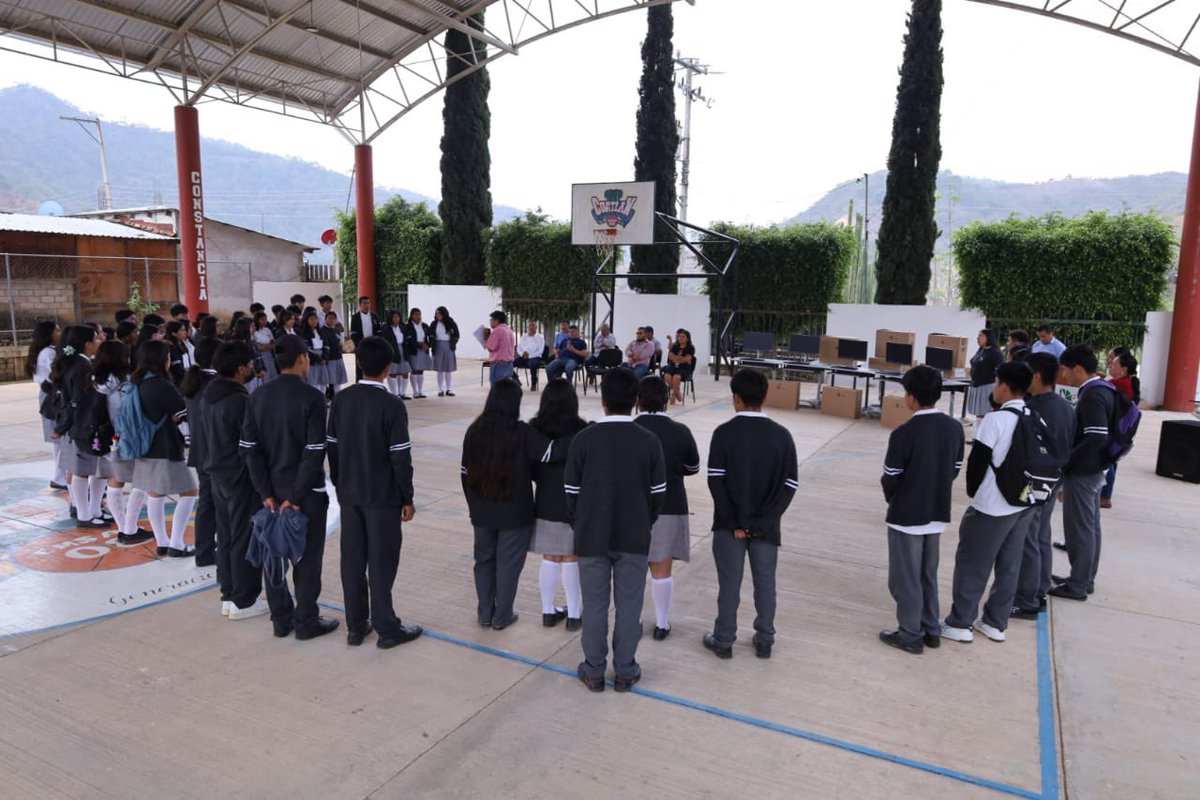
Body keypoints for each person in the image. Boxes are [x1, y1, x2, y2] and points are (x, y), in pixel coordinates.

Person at [566, 368, 666, 692]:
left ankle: (594, 670)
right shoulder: (649, 441)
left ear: (603, 399)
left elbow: (571, 493)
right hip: (634, 536)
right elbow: (658, 495)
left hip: (592, 535)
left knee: (593, 606)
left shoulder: (584, 440)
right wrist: (643, 521)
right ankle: (625, 670)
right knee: (629, 606)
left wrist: (580, 523)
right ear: (635, 400)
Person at [240, 335, 339, 639]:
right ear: (301, 359)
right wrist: (295, 497)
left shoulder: (258, 396)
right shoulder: (312, 397)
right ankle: (306, 621)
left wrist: (266, 493)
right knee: (307, 559)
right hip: (306, 493)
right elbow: (314, 451)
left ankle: (281, 619)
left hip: (270, 494)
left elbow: (249, 449)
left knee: (274, 557)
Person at [328, 336, 423, 648]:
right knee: (381, 562)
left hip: (350, 493)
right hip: (382, 497)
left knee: (352, 560)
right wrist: (406, 497)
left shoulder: (342, 400)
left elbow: (333, 448)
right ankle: (387, 627)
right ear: (388, 367)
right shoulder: (392, 406)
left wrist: (341, 484)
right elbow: (400, 456)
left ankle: (356, 626)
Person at [703, 370, 798, 660]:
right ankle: (765, 638)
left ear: (736, 398)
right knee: (765, 583)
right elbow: (790, 486)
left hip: (729, 526)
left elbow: (715, 481)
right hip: (766, 528)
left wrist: (735, 522)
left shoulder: (724, 433)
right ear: (765, 397)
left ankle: (724, 638)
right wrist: (764, 522)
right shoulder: (782, 436)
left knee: (729, 584)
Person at [941, 362, 1037, 644]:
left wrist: (975, 495)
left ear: (1004, 387)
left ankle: (960, 623)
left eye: (996, 383)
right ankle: (996, 622)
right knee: (1009, 565)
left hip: (992, 506)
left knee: (973, 564)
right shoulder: (1034, 416)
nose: (994, 389)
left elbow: (977, 465)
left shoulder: (994, 420)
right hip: (1023, 504)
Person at [878, 366, 965, 654]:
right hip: (936, 513)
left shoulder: (904, 433)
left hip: (907, 516)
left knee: (905, 579)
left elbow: (891, 476)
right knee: (928, 574)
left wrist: (896, 499)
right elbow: (954, 470)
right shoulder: (954, 428)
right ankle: (930, 628)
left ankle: (909, 634)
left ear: (912, 398)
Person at [461, 379, 559, 629]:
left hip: (482, 511)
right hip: (516, 513)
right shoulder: (523, 433)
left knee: (484, 561)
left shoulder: (474, 431)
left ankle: (485, 612)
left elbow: (464, 472)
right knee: (508, 564)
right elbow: (552, 452)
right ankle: (502, 615)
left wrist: (473, 505)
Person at [198, 342, 268, 620]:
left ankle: (229, 593)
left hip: (216, 473)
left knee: (226, 535)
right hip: (239, 475)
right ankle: (244, 599)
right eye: (250, 364)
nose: (253, 368)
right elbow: (251, 443)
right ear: (240, 368)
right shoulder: (239, 400)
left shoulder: (209, 395)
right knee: (244, 536)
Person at [634, 376, 700, 641]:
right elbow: (692, 468)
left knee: (634, 569)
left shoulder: (630, 427)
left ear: (638, 401)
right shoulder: (680, 430)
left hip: (634, 507)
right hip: (670, 504)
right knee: (662, 571)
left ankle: (634, 620)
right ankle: (662, 624)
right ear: (666, 401)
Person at [1011, 352, 1076, 619]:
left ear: (1036, 376)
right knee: (1040, 535)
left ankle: (1026, 598)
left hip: (1036, 480)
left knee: (1029, 536)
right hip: (1054, 478)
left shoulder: (1034, 408)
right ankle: (1038, 589)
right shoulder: (1065, 406)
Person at [1049, 344, 1115, 601]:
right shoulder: (1101, 388)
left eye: (1064, 370)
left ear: (1077, 368)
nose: (1063, 376)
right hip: (1093, 468)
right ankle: (1083, 578)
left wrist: (1067, 461)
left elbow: (1096, 436)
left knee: (1080, 529)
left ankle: (1078, 584)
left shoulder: (1092, 394)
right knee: (1090, 527)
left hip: (1084, 471)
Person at [529, 378, 589, 630]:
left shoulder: (534, 429)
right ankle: (574, 614)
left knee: (550, 557)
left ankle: (547, 610)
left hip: (545, 499)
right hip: (574, 502)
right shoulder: (582, 430)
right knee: (571, 558)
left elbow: (532, 466)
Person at [130, 340, 199, 557]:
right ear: (162, 359)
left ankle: (162, 541)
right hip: (165, 447)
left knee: (155, 494)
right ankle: (177, 543)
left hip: (143, 446)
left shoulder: (137, 383)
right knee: (189, 492)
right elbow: (181, 412)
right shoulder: (162, 385)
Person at [52, 325, 107, 527]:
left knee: (83, 470)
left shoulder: (74, 363)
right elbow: (79, 400)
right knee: (82, 471)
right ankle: (84, 515)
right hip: (81, 425)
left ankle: (91, 510)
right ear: (87, 344)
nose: (99, 341)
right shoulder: (82, 367)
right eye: (96, 339)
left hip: (76, 424)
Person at [180, 338, 221, 567]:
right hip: (218, 454)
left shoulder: (194, 382)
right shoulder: (216, 385)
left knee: (206, 502)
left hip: (200, 450)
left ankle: (204, 550)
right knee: (222, 503)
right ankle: (215, 548)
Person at [28, 320, 67, 490]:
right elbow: (55, 375)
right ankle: (60, 477)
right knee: (59, 437)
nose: (60, 333)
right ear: (49, 334)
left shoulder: (44, 351)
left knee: (58, 439)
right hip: (52, 396)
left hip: (50, 395)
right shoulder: (48, 352)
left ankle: (60, 476)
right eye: (57, 331)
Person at [1100, 351, 1139, 509]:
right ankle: (1105, 495)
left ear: (1123, 369)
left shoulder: (1119, 385)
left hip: (1114, 427)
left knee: (1108, 461)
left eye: (1114, 364)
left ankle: (1105, 496)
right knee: (1112, 461)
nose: (1110, 365)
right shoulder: (1125, 382)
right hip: (1120, 428)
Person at [967, 329, 1004, 421]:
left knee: (986, 413)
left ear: (989, 338)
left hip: (987, 387)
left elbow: (1000, 371)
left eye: (981, 336)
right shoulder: (981, 350)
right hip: (976, 386)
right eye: (978, 336)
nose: (978, 338)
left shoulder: (995, 353)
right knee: (979, 414)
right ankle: (979, 432)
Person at [403, 308, 434, 399]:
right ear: (411, 316)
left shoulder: (424, 326)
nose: (418, 317)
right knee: (414, 370)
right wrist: (420, 345)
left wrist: (429, 345)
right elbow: (409, 339)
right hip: (414, 350)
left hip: (424, 350)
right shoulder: (408, 326)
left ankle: (420, 391)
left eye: (419, 314)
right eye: (416, 315)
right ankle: (415, 391)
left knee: (421, 371)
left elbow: (431, 336)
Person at [382, 309, 412, 398]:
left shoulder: (402, 327)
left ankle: (402, 392)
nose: (396, 319)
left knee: (405, 372)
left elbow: (406, 338)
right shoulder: (386, 328)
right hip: (392, 350)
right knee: (393, 372)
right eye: (394, 317)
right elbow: (384, 341)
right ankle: (394, 393)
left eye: (398, 317)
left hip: (402, 350)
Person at [349, 296, 381, 383]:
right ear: (360, 305)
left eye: (368, 303)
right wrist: (361, 343)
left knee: (373, 366)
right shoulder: (355, 317)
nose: (367, 305)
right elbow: (353, 333)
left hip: (373, 346)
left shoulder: (374, 316)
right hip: (361, 346)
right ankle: (359, 384)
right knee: (360, 366)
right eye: (364, 303)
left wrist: (375, 342)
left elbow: (379, 331)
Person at [430, 306, 460, 397]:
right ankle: (440, 389)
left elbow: (457, 335)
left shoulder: (451, 322)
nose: (438, 315)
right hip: (438, 346)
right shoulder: (434, 324)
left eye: (439, 313)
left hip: (448, 346)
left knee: (448, 369)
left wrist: (453, 342)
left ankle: (449, 389)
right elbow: (430, 334)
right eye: (436, 313)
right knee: (440, 369)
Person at [662, 328, 696, 404]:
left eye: (683, 336)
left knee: (676, 377)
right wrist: (678, 359)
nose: (680, 338)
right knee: (667, 375)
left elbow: (687, 358)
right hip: (673, 366)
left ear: (687, 339)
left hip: (684, 367)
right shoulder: (675, 346)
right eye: (679, 336)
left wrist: (677, 359)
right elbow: (670, 356)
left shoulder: (690, 348)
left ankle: (673, 395)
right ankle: (677, 393)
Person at [483, 310, 517, 384]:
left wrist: (486, 338)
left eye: (491, 320)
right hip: (508, 364)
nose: (490, 322)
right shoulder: (509, 330)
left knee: (496, 388)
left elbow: (490, 348)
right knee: (505, 388)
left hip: (498, 364)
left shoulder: (497, 331)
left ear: (497, 320)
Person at [300, 309, 329, 392]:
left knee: (323, 383)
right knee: (313, 383)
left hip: (322, 358)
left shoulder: (320, 331)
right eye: (311, 319)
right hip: (312, 360)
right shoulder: (304, 333)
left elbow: (326, 345)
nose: (314, 321)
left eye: (315, 319)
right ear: (307, 320)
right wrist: (318, 358)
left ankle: (322, 400)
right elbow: (306, 348)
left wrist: (325, 357)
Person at [322, 311, 348, 396]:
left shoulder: (336, 330)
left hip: (338, 357)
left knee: (338, 380)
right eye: (329, 318)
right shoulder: (322, 331)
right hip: (329, 359)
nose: (331, 320)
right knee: (329, 380)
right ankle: (328, 396)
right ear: (325, 319)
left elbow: (340, 343)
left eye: (333, 318)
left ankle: (337, 396)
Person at [515, 320, 545, 391]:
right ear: (527, 327)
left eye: (533, 325)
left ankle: (533, 384)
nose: (531, 327)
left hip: (535, 357)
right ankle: (515, 378)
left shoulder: (540, 337)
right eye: (530, 325)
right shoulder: (523, 336)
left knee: (532, 364)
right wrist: (522, 353)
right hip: (524, 356)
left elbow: (540, 351)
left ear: (536, 327)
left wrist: (529, 355)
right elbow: (519, 348)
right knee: (510, 364)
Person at [250, 311, 277, 385]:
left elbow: (274, 343)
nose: (265, 321)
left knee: (273, 375)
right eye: (262, 319)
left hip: (270, 355)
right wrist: (266, 346)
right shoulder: (254, 332)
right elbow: (258, 347)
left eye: (265, 319)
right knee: (266, 377)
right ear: (257, 320)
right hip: (261, 356)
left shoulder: (267, 330)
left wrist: (265, 346)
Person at [165, 320, 193, 384]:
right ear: (174, 333)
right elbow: (177, 369)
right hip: (179, 381)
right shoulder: (170, 348)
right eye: (182, 330)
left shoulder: (182, 344)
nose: (185, 332)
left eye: (184, 330)